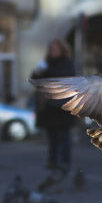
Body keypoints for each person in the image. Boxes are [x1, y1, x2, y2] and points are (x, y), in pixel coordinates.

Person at [31, 40, 77, 172]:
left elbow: (63, 78)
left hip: (62, 108)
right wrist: (38, 71)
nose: (52, 51)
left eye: (55, 48)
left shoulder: (67, 64)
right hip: (49, 108)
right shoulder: (47, 63)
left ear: (62, 50)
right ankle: (52, 160)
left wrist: (46, 70)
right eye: (51, 48)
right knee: (52, 137)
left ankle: (64, 162)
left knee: (63, 136)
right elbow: (35, 78)